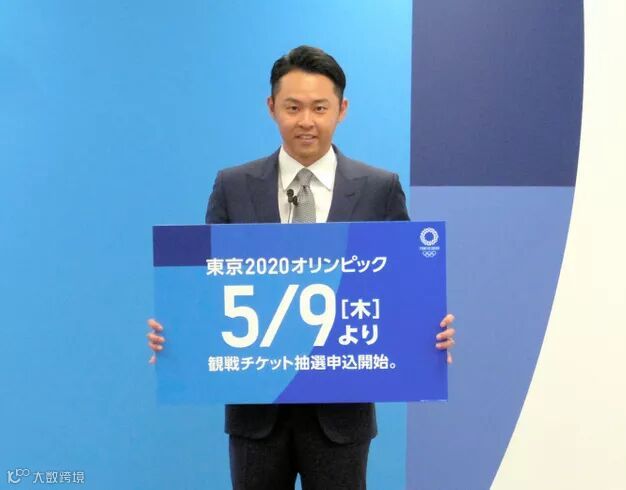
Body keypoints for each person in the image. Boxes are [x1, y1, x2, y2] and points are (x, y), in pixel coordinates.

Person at [147, 45, 456, 490]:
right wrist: (177, 331)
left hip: (340, 417)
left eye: (319, 108)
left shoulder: (379, 188)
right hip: (257, 415)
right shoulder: (233, 186)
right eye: (293, 107)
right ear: (272, 107)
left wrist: (428, 331)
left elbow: (402, 287)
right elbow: (208, 286)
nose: (306, 121)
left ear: (342, 110)